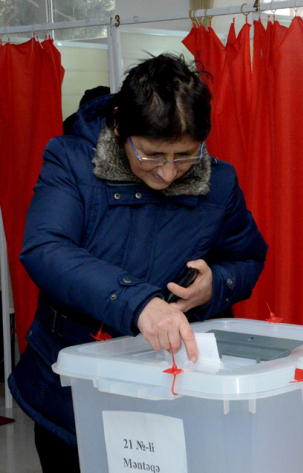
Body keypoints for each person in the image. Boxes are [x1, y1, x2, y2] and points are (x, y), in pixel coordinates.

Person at [8, 54, 268, 472]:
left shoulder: (219, 181)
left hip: (172, 387)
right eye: (151, 155)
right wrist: (140, 303)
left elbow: (247, 257)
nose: (167, 173)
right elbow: (45, 248)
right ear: (118, 126)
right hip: (71, 389)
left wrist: (217, 284)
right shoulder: (72, 162)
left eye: (184, 155)